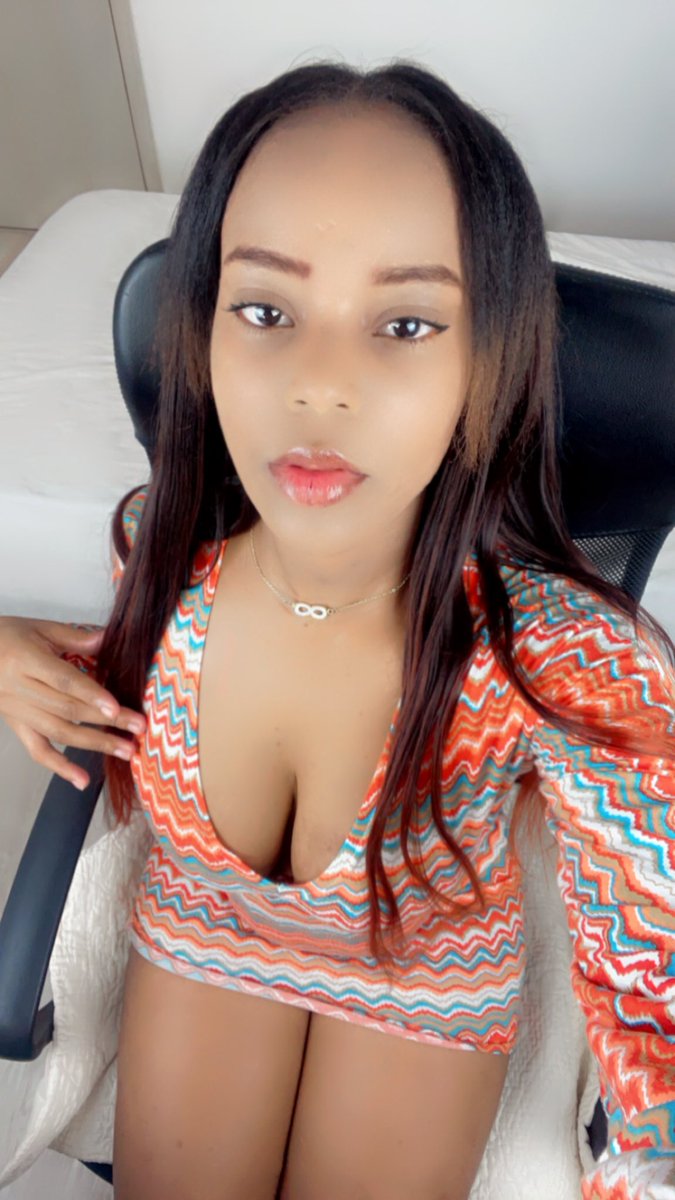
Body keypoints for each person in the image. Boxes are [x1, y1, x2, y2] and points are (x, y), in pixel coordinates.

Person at [1, 59, 674, 1200]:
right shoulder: (158, 552)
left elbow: (654, 952)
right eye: (265, 311)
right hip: (205, 928)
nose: (320, 386)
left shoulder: (557, 653)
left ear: (487, 361)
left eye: (404, 323)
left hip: (421, 978)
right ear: (200, 331)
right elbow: (108, 659)